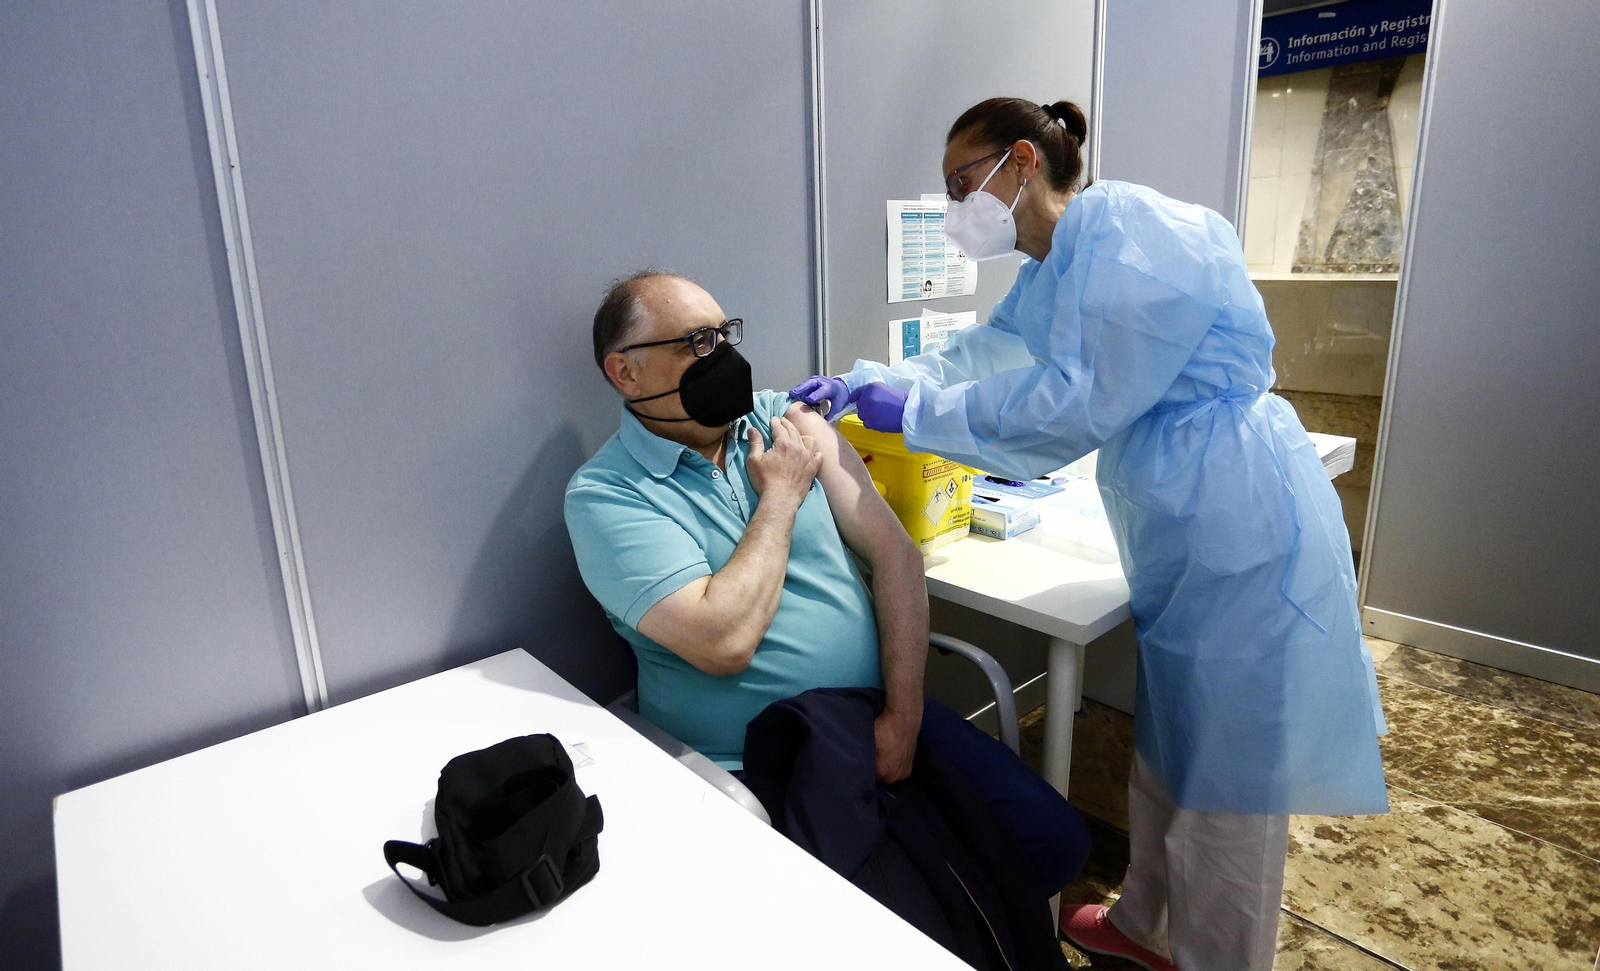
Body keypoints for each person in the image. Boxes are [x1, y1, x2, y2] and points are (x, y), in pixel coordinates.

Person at [791, 98, 1389, 971]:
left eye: (962, 184)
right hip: (1178, 511)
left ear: (1022, 161)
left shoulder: (1136, 231)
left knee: (1231, 773)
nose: (956, 208)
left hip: (1236, 511)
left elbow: (1071, 403)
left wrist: (913, 413)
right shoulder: (1057, 264)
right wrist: (870, 380)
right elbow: (987, 352)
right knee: (1174, 731)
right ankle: (1146, 925)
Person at [563, 269, 1090, 900]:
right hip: (759, 762)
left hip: (875, 717)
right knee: (911, 920)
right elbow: (723, 641)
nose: (722, 357)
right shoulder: (606, 495)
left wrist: (903, 715)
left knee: (1052, 840)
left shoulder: (783, 421)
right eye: (697, 343)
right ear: (625, 372)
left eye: (725, 335)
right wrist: (781, 495)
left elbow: (896, 558)